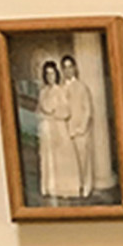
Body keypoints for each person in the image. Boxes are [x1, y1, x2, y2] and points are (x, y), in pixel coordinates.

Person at [58, 52, 96, 199]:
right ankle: (72, 187)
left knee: (83, 160)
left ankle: (86, 186)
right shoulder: (60, 88)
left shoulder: (82, 87)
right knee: (68, 161)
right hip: (64, 131)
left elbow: (87, 110)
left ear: (75, 68)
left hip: (80, 131)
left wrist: (81, 128)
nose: (68, 70)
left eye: (70, 67)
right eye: (65, 68)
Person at [35, 60, 74, 202]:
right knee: (47, 157)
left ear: (56, 74)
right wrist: (43, 116)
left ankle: (62, 188)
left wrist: (53, 115)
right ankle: (48, 187)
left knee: (60, 159)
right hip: (46, 129)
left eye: (52, 74)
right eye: (47, 74)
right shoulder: (43, 92)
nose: (50, 77)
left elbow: (66, 112)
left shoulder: (60, 91)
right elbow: (38, 109)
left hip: (57, 127)